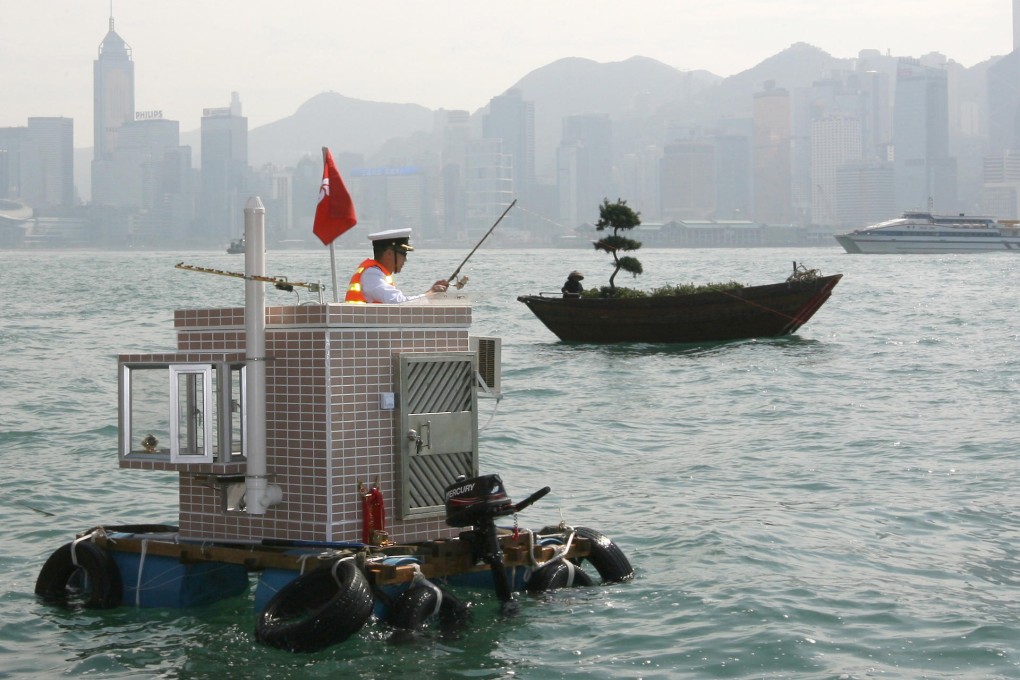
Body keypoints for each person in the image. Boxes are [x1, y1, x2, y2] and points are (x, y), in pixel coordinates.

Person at [345, 228, 448, 304]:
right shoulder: (371, 275)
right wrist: (431, 294)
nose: (405, 260)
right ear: (389, 253)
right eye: (403, 254)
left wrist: (430, 293)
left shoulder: (376, 273)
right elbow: (399, 303)